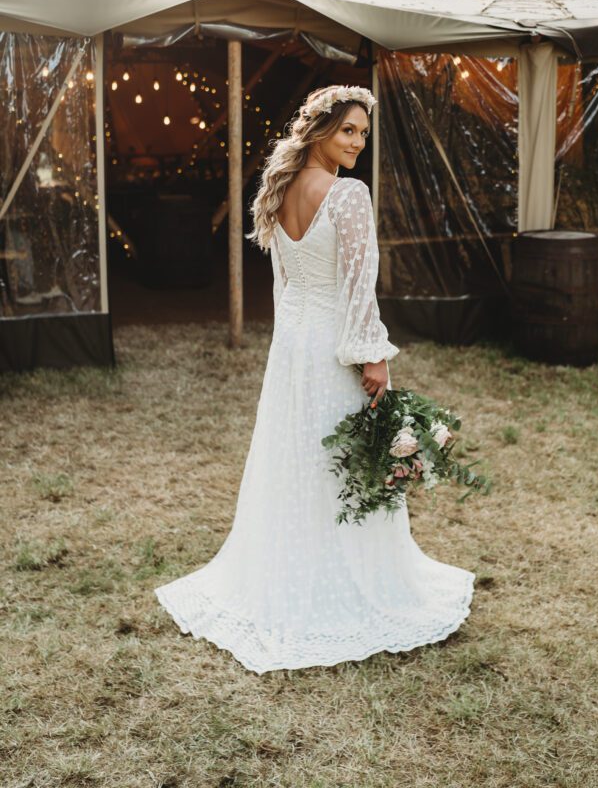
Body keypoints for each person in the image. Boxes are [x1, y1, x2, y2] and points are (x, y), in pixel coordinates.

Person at [154, 84, 475, 674]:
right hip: (330, 346)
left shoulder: (277, 192)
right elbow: (359, 286)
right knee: (346, 464)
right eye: (349, 130)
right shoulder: (347, 195)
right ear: (320, 129)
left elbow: (285, 287)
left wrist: (302, 341)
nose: (357, 143)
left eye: (363, 133)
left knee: (299, 460)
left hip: (292, 348)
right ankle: (348, 583)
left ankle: (296, 571)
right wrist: (371, 355)